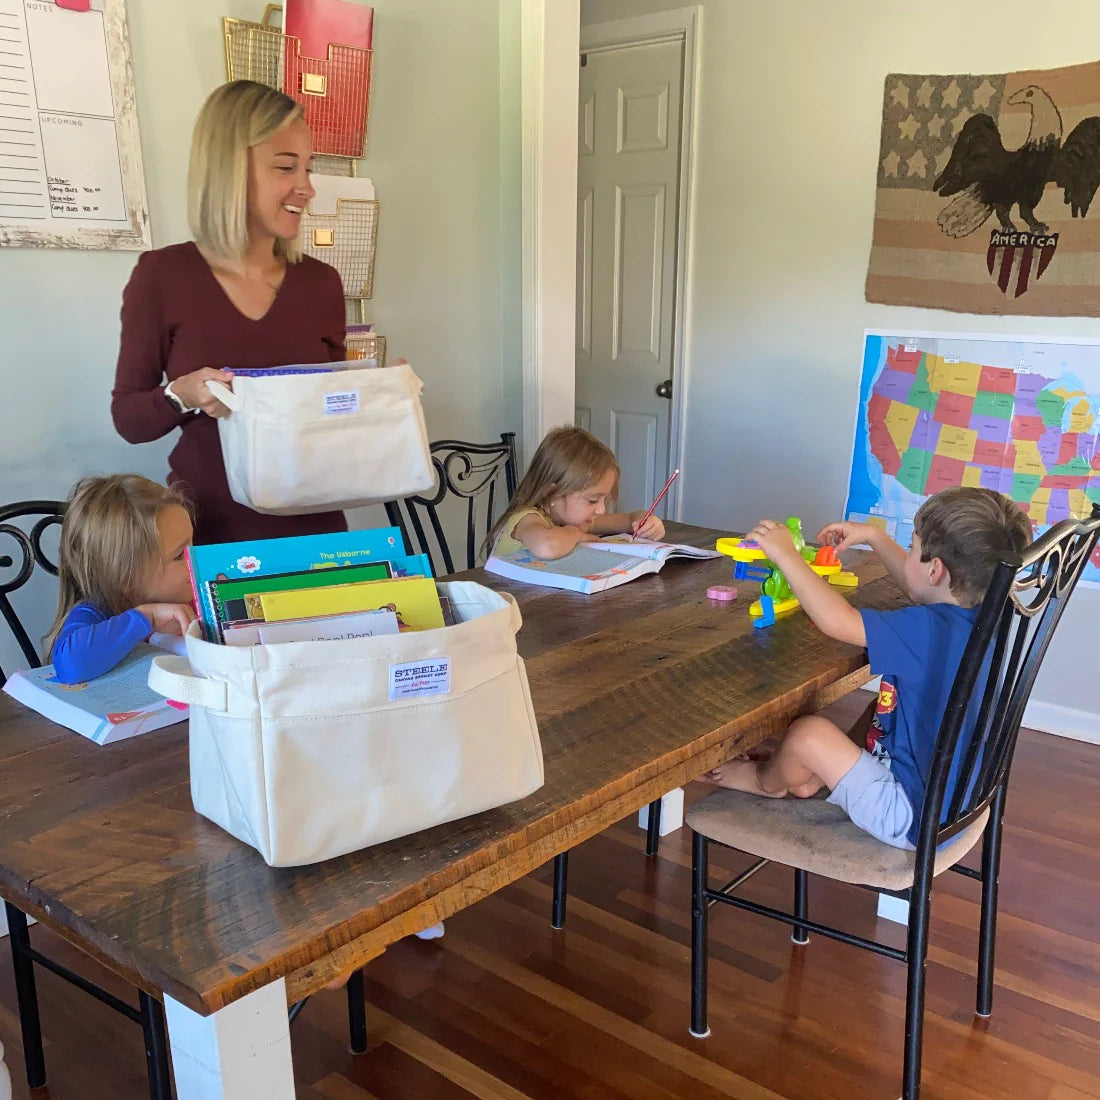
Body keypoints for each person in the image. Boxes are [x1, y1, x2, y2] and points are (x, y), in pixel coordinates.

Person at [703, 487, 1032, 849]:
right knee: (880, 708)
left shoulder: (926, 630)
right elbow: (920, 585)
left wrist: (785, 556)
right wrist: (876, 537)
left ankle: (764, 781)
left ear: (936, 569)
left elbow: (838, 621)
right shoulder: (984, 615)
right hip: (956, 799)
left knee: (807, 733)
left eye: (912, 547)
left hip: (912, 817)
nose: (908, 554)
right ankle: (811, 777)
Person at [111, 79, 348, 545]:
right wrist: (183, 394)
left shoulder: (321, 283)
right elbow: (129, 419)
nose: (306, 188)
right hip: (210, 534)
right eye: (286, 167)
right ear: (228, 169)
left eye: (308, 168)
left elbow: (331, 410)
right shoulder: (162, 275)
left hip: (317, 532)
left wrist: (382, 394)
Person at [45, 476, 197, 685]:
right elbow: (70, 667)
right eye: (180, 555)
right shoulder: (97, 613)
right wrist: (147, 618)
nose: (195, 559)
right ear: (126, 577)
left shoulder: (198, 596)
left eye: (193, 545)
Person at [485, 426, 666, 560]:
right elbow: (546, 546)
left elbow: (627, 521)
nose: (601, 509)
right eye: (593, 500)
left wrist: (643, 520)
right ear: (552, 494)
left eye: (604, 499)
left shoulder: (572, 517)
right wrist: (577, 534)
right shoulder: (527, 519)